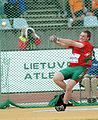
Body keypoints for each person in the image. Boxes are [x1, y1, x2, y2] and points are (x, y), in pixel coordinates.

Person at [49, 30, 93, 111]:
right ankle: (68, 92)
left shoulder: (87, 44)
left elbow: (72, 43)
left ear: (88, 38)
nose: (81, 37)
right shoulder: (77, 43)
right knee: (56, 78)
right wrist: (55, 41)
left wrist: (58, 38)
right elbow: (64, 45)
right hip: (71, 67)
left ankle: (64, 104)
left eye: (83, 36)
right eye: (80, 35)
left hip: (81, 68)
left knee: (69, 86)